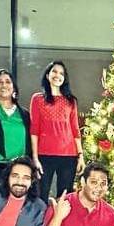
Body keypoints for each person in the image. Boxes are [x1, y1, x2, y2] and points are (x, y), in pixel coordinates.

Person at [29, 60, 85, 203]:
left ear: (64, 78)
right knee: (40, 195)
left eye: (61, 73)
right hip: (44, 155)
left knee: (65, 197)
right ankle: (41, 218)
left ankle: (62, 219)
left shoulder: (71, 101)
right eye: (54, 71)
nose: (57, 75)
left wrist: (80, 156)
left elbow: (75, 130)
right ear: (47, 75)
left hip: (69, 155)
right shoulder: (37, 99)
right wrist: (35, 157)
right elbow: (34, 130)